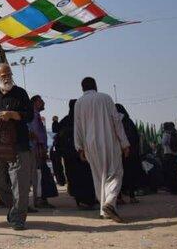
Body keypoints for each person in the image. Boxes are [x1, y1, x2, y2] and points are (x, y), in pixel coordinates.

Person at [0, 63, 34, 231]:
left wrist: (13, 115)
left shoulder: (21, 93)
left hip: (19, 145)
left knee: (20, 183)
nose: (7, 77)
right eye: (3, 75)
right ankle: (14, 206)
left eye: (9, 74)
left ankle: (19, 218)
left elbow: (30, 115)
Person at [74, 77, 130, 223]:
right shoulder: (106, 98)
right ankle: (110, 203)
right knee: (116, 173)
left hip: (90, 144)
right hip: (109, 140)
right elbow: (116, 121)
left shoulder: (79, 103)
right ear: (95, 85)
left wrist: (79, 147)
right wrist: (124, 143)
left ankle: (104, 210)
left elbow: (77, 127)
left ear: (82, 88)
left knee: (99, 176)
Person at [57, 100, 97, 208]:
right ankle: (89, 200)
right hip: (83, 154)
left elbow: (56, 131)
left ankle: (80, 200)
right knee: (86, 176)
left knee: (74, 178)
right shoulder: (83, 119)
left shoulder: (65, 120)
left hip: (70, 156)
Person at [28, 95, 54, 209]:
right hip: (36, 150)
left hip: (38, 149)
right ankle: (38, 198)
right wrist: (40, 147)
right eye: (40, 101)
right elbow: (34, 134)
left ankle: (41, 198)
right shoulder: (33, 116)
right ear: (35, 103)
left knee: (40, 173)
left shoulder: (36, 116)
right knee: (38, 174)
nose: (43, 103)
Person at [115, 104, 141, 204]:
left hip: (118, 153)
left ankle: (119, 197)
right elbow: (135, 137)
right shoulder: (128, 121)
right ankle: (132, 197)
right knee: (130, 175)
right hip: (130, 153)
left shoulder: (114, 122)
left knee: (118, 176)